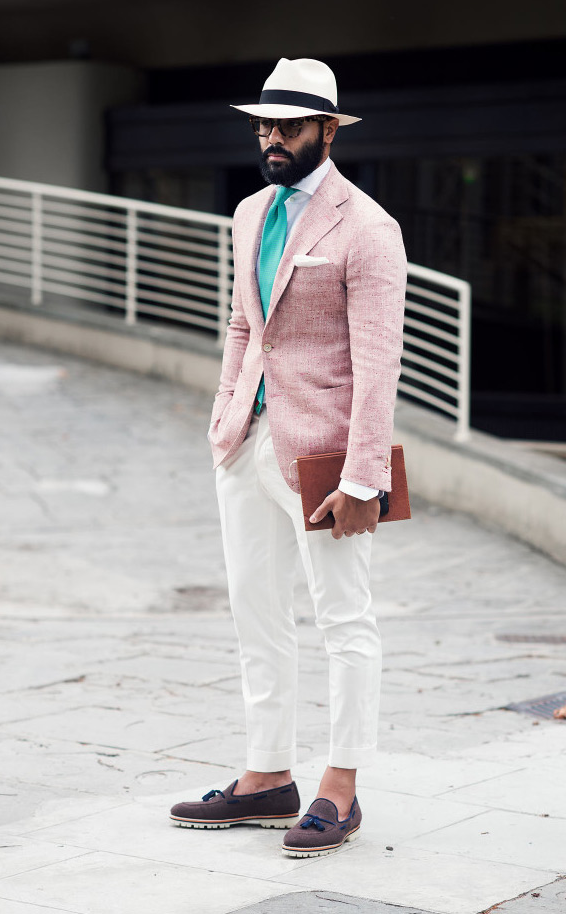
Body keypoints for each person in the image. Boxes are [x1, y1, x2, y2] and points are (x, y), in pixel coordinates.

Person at [170, 57, 407, 857]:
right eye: (263, 126)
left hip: (325, 458)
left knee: (344, 620)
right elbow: (245, 324)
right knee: (255, 613)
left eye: (289, 127)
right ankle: (268, 776)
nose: (272, 139)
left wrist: (364, 479)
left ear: (329, 132)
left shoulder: (368, 227)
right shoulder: (247, 212)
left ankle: (340, 786)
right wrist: (224, 417)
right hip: (247, 443)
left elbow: (380, 366)